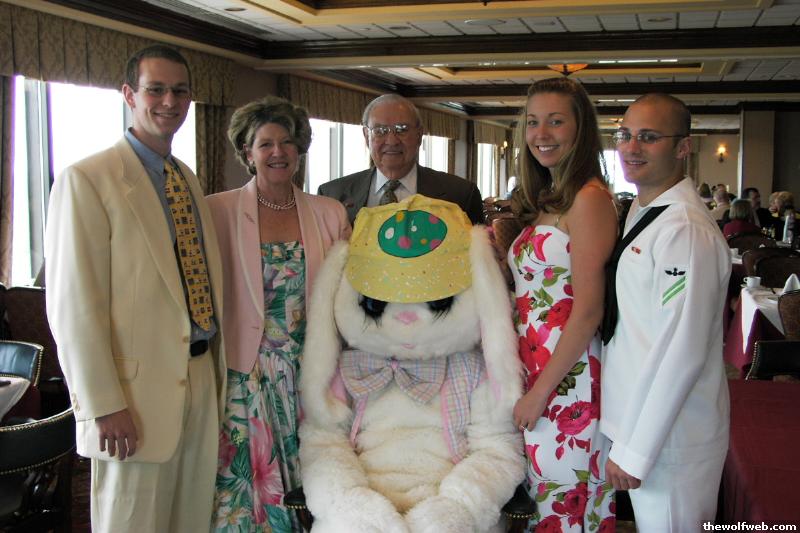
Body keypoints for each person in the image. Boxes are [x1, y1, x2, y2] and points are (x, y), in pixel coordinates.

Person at [45, 45, 225, 532]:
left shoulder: (186, 179)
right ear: (129, 94)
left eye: (180, 91)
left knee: (190, 521)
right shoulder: (88, 179)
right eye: (156, 89)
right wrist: (102, 404)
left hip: (200, 376)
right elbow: (73, 306)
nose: (169, 101)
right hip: (132, 396)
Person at [206, 96, 351, 531]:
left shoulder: (328, 213)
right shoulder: (216, 211)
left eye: (287, 142)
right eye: (265, 143)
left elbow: (348, 293)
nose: (277, 152)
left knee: (318, 478)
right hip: (247, 373)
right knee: (248, 489)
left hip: (312, 370)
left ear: (300, 149)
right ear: (247, 152)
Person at [601, 93, 730, 530]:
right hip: (640, 422)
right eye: (625, 135)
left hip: (672, 436)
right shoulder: (645, 211)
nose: (631, 147)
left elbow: (682, 350)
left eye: (649, 137)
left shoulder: (685, 230)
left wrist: (635, 450)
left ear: (683, 147)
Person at [507, 77, 617, 531]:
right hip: (538, 368)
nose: (541, 134)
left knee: (565, 511)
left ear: (580, 129)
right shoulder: (552, 197)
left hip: (568, 379)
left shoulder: (589, 199)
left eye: (555, 121)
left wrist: (540, 392)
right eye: (533, 122)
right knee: (545, 506)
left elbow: (588, 311)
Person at [317, 94, 484, 225]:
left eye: (402, 129)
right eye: (380, 131)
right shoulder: (332, 195)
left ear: (419, 135)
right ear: (366, 136)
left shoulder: (461, 195)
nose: (392, 141)